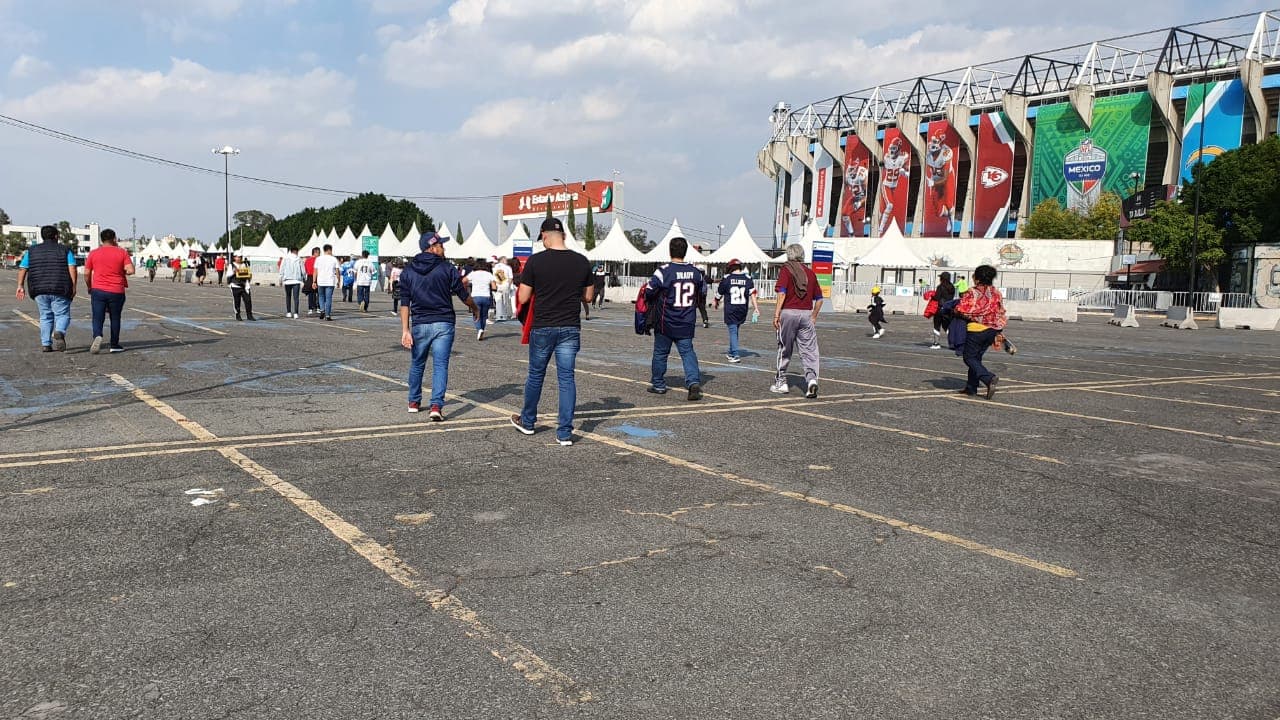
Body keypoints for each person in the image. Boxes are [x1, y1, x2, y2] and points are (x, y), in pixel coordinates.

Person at [510, 218, 593, 445]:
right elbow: (588, 296)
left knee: (536, 375)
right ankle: (564, 432)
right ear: (563, 235)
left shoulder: (536, 262)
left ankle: (528, 421)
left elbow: (524, 297)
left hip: (543, 325)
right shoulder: (582, 261)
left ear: (544, 236)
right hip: (570, 326)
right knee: (566, 378)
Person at [399, 232, 479, 421]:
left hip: (420, 323)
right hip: (444, 322)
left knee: (418, 363)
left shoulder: (408, 271)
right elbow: (462, 294)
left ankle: (413, 401)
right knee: (440, 365)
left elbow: (404, 303)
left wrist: (405, 330)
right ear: (432, 247)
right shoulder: (447, 268)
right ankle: (436, 406)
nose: (444, 248)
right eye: (441, 245)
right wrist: (475, 308)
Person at [646, 236, 706, 401]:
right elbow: (702, 293)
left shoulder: (663, 271)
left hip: (666, 320)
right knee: (687, 353)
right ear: (686, 251)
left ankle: (658, 384)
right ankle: (693, 382)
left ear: (670, 251)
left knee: (660, 353)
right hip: (687, 320)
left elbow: (649, 291)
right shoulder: (696, 273)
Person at [15, 224, 77, 352]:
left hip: (39, 289)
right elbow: (72, 267)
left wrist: (20, 286)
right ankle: (59, 331)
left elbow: (23, 268)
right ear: (56, 236)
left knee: (45, 316)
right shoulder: (65, 250)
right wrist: (74, 285)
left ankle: (46, 344)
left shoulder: (31, 251)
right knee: (62, 314)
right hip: (61, 287)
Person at [771, 243, 823, 398]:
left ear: (789, 255)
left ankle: (781, 382)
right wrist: (813, 316)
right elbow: (820, 299)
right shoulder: (810, 273)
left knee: (785, 348)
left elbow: (782, 293)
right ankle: (812, 381)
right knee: (809, 350)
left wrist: (776, 314)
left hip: (788, 313)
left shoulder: (786, 270)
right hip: (806, 315)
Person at [955, 264, 1007, 399]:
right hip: (992, 330)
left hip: (976, 330)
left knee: (969, 357)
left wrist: (954, 311)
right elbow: (1001, 311)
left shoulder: (972, 292)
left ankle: (988, 378)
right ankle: (971, 388)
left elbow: (961, 309)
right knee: (976, 358)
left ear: (977, 278)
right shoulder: (996, 293)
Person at [84, 229, 135, 354]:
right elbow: (131, 270)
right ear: (114, 238)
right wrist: (121, 271)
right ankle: (114, 344)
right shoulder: (122, 252)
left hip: (98, 289)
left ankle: (97, 335)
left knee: (97, 316)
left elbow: (86, 273)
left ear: (101, 240)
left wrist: (89, 286)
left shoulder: (93, 253)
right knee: (115, 317)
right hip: (116, 290)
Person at [714, 259, 759, 363]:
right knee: (735, 330)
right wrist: (756, 308)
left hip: (731, 309)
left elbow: (719, 293)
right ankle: (731, 352)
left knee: (733, 330)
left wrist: (716, 301)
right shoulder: (748, 278)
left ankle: (735, 354)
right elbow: (753, 294)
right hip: (742, 309)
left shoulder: (727, 278)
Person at [466, 260, 496, 340]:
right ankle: (482, 329)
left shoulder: (473, 273)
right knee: (484, 315)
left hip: (475, 296)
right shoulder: (489, 274)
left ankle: (479, 329)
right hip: (486, 296)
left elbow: (463, 280)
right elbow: (494, 287)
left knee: (476, 314)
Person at [930, 272, 956, 349]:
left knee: (937, 326)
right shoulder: (952, 287)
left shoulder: (940, 287)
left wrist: (932, 295)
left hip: (940, 308)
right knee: (947, 326)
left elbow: (937, 297)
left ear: (942, 278)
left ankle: (936, 343)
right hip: (948, 309)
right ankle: (952, 343)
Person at [313, 244, 339, 320]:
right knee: (328, 298)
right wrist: (338, 280)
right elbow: (337, 271)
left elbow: (315, 271)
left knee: (321, 296)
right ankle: (327, 315)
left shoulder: (318, 259)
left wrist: (314, 281)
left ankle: (322, 310)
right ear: (329, 250)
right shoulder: (334, 259)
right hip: (330, 281)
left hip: (320, 281)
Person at [278, 247, 304, 318]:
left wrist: (280, 279)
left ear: (290, 251)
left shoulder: (285, 258)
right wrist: (304, 278)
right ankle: (296, 313)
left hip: (287, 280)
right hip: (296, 280)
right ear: (296, 251)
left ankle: (289, 312)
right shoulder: (299, 259)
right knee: (296, 298)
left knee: (288, 296)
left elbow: (282, 269)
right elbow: (303, 270)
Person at [229, 255, 256, 321]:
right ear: (234, 258)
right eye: (237, 257)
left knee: (248, 300)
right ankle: (238, 315)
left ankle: (249, 315)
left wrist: (249, 278)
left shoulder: (245, 264)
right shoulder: (231, 265)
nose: (239, 258)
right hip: (236, 285)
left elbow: (249, 273)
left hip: (245, 286)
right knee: (237, 301)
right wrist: (233, 272)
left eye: (240, 257)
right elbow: (228, 275)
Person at [303, 247, 320, 316]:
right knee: (318, 293)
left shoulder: (307, 260)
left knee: (311, 293)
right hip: (317, 277)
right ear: (315, 252)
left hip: (309, 277)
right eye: (318, 252)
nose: (319, 254)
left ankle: (310, 308)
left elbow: (305, 270)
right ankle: (318, 307)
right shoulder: (318, 260)